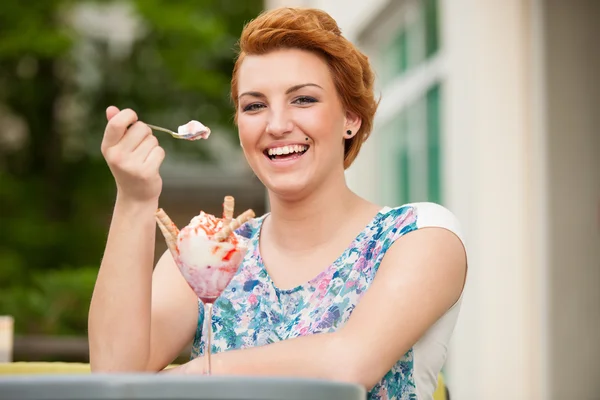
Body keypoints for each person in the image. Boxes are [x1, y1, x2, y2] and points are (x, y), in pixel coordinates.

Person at [88, 7, 467, 400]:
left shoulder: (419, 236)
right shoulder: (207, 251)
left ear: (351, 117)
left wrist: (199, 372)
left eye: (303, 99)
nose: (277, 124)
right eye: (254, 106)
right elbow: (114, 377)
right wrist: (134, 199)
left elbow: (347, 365)